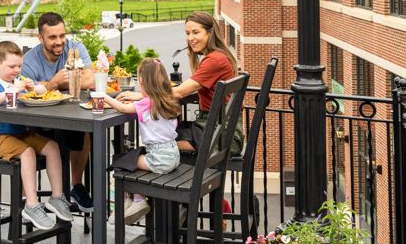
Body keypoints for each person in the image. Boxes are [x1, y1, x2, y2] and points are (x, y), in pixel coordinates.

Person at [0, 40, 74, 231]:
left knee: (52, 147)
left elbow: (40, 90)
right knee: (28, 152)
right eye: (12, 66)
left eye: (20, 66)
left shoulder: (18, 80)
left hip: (20, 134)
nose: (17, 70)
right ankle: (31, 204)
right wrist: (9, 92)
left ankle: (56, 197)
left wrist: (32, 87)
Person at [19, 11, 96, 213]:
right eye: (52, 37)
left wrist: (56, 83)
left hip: (71, 116)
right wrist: (55, 82)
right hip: (39, 123)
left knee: (85, 132)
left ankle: (76, 187)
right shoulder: (30, 59)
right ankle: (37, 199)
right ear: (40, 38)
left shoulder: (75, 48)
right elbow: (27, 91)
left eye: (62, 35)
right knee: (70, 135)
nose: (59, 42)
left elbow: (91, 80)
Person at [104, 58, 182, 224]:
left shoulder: (145, 104)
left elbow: (123, 108)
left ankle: (130, 204)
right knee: (131, 159)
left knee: (121, 162)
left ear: (141, 81)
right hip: (173, 155)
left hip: (159, 159)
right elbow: (144, 105)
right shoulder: (168, 99)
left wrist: (105, 97)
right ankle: (134, 201)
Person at [171, 11, 240, 154]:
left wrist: (141, 96)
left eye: (196, 32)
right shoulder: (219, 56)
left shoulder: (214, 60)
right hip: (219, 129)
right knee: (166, 138)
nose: (190, 38)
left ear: (210, 33)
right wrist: (192, 55)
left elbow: (179, 92)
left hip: (221, 136)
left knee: (160, 144)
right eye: (188, 33)